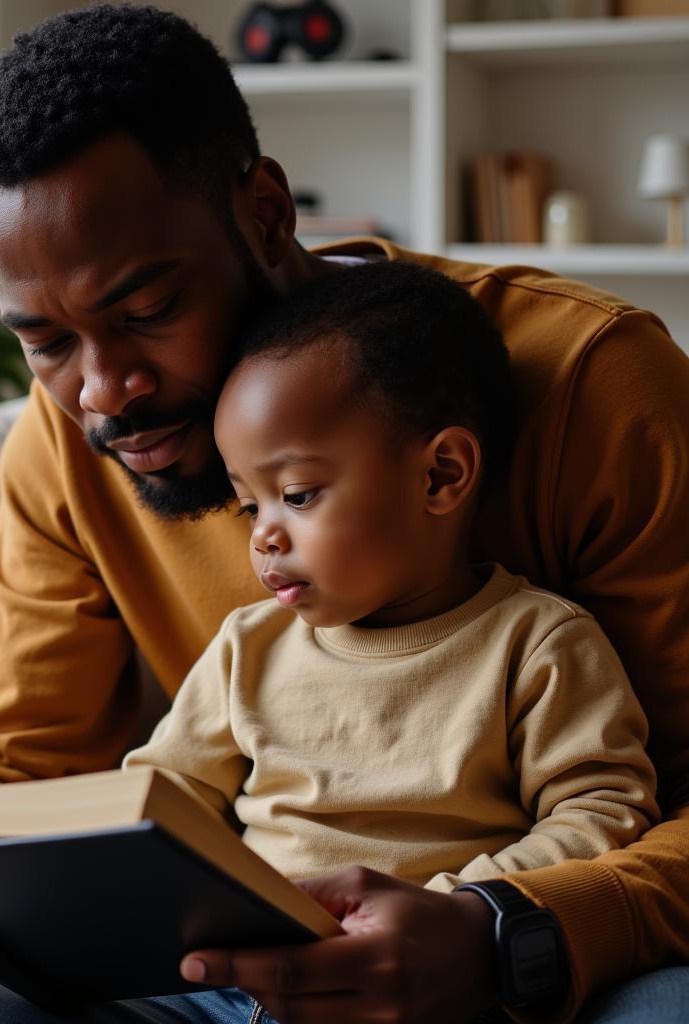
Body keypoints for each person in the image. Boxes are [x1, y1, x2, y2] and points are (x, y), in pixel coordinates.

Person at [0, 4, 688, 1023]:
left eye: (145, 312)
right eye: (47, 342)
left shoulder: (594, 385)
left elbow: (635, 799)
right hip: (217, 962)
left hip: (523, 935)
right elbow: (15, 748)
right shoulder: (68, 441)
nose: (103, 391)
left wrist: (505, 930)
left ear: (267, 211)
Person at [122, 260, 660, 900]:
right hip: (237, 976)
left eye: (296, 495)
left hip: (444, 970)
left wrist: (456, 909)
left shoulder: (536, 645)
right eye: (249, 505)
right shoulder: (248, 646)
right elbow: (162, 794)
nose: (262, 535)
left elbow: (602, 812)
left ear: (440, 476)